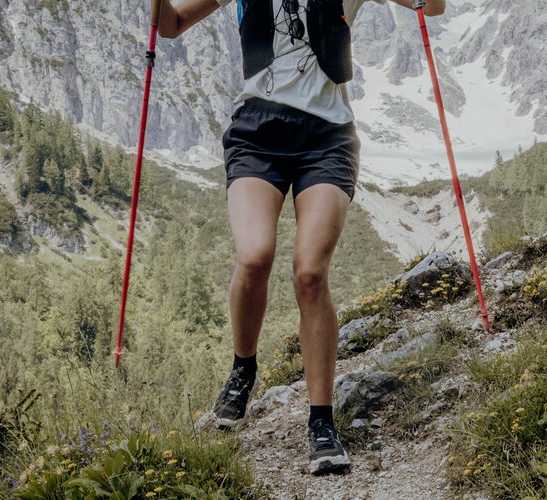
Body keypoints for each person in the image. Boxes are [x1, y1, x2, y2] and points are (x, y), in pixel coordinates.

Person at [156, 0, 445, 475]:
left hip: (327, 137)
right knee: (254, 256)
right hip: (256, 133)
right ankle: (243, 370)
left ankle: (322, 422)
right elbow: (171, 24)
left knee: (310, 272)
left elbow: (431, 6)